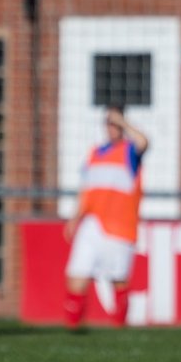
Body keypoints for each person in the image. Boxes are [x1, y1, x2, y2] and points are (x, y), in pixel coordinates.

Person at [62, 106, 150, 328]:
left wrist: (124, 123)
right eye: (109, 123)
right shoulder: (94, 153)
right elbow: (86, 191)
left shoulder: (129, 152)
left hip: (119, 227)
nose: (112, 128)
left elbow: (144, 142)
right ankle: (73, 327)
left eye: (115, 123)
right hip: (92, 223)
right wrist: (75, 218)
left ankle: (119, 325)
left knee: (118, 279)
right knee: (77, 274)